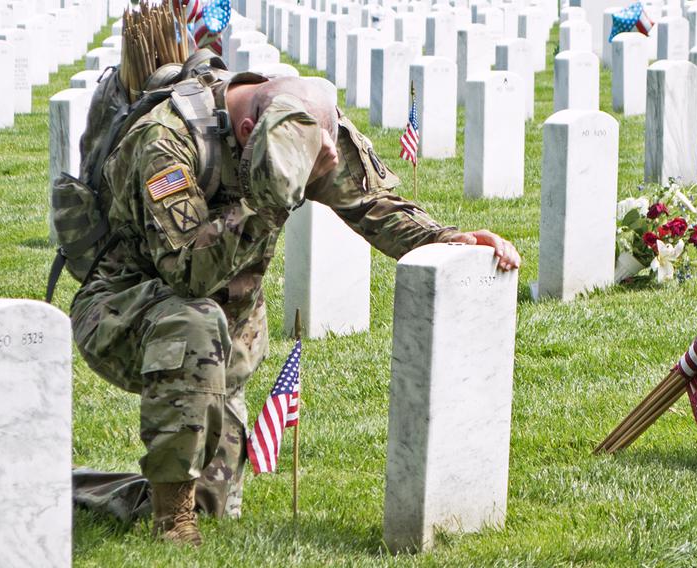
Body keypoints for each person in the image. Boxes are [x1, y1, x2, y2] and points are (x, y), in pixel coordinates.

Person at [69, 69, 521, 545]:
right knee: (192, 322)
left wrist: (446, 239)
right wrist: (270, 200)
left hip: (228, 328)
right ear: (248, 133)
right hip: (125, 307)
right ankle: (172, 520)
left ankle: (79, 488)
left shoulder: (303, 115)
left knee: (215, 505)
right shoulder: (167, 140)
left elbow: (370, 203)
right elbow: (189, 274)